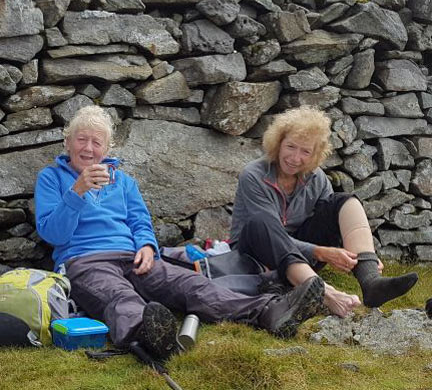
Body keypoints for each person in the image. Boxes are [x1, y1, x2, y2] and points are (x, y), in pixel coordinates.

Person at [35, 106, 325, 358]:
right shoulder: (51, 178)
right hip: (85, 261)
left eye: (96, 142)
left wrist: (147, 247)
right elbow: (53, 234)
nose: (88, 148)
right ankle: (149, 334)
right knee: (119, 297)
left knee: (192, 285)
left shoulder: (123, 182)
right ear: (68, 142)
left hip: (134, 256)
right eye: (81, 139)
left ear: (107, 149)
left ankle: (270, 311)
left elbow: (140, 222)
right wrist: (78, 190)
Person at [230, 106, 418, 317]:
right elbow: (270, 233)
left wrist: (362, 259)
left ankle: (371, 281)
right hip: (255, 255)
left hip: (302, 258)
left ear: (315, 154)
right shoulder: (253, 176)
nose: (295, 157)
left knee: (343, 201)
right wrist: (321, 252)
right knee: (262, 221)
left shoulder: (316, 178)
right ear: (277, 143)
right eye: (290, 146)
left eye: (305, 151)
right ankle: (324, 292)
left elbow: (332, 224)